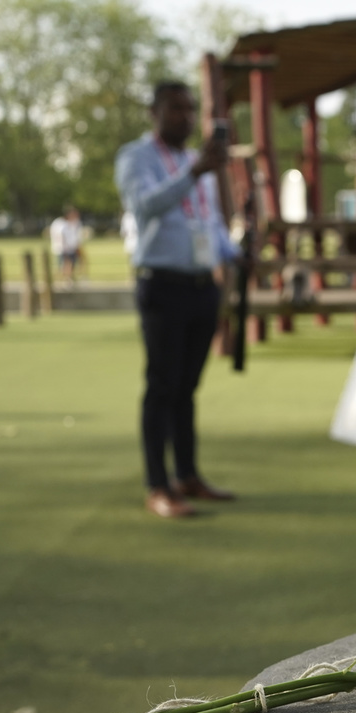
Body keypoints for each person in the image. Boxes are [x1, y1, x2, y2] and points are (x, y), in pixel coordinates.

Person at [114, 81, 240, 519]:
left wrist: (235, 251)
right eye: (175, 109)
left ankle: (187, 474)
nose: (184, 117)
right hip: (162, 285)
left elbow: (208, 223)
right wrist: (194, 173)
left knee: (187, 389)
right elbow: (144, 206)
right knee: (162, 387)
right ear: (155, 112)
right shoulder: (138, 157)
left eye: (190, 110)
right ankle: (157, 485)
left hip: (201, 286)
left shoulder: (194, 161)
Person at [49, 205, 85, 285]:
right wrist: (64, 248)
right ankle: (65, 280)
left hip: (69, 248)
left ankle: (68, 279)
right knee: (65, 264)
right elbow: (61, 237)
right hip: (64, 248)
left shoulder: (70, 223)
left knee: (70, 264)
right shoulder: (61, 224)